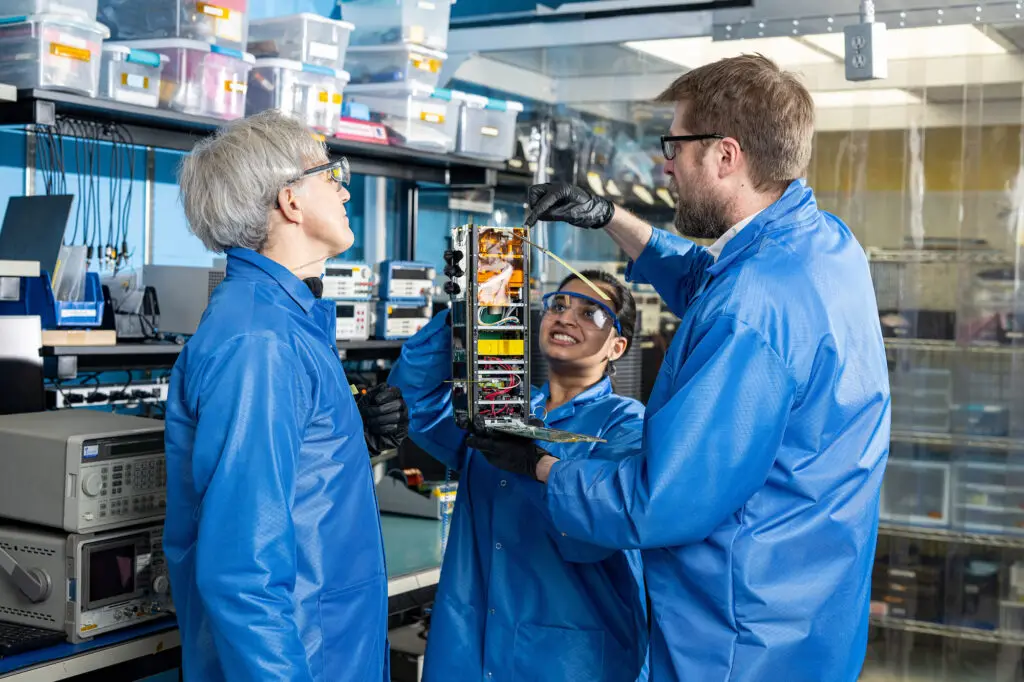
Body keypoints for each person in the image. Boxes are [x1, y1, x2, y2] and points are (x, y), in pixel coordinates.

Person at [471, 55, 891, 682]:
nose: (663, 163)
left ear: (726, 155)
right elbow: (708, 279)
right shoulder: (821, 243)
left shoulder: (753, 306)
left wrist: (539, 466)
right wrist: (608, 217)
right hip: (809, 611)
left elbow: (659, 503)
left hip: (738, 635)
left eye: (674, 145)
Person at [163, 110, 407, 682]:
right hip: (297, 658)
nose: (345, 188)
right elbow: (240, 572)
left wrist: (346, 436)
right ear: (290, 201)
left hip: (327, 645)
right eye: (332, 175)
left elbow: (292, 489)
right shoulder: (260, 341)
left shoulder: (283, 322)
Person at [388, 270, 649, 682]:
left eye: (590, 312)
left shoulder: (626, 426)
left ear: (617, 347)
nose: (565, 317)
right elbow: (416, 402)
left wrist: (534, 467)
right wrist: (464, 317)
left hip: (566, 660)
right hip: (467, 646)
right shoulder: (502, 405)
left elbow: (599, 531)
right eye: (558, 306)